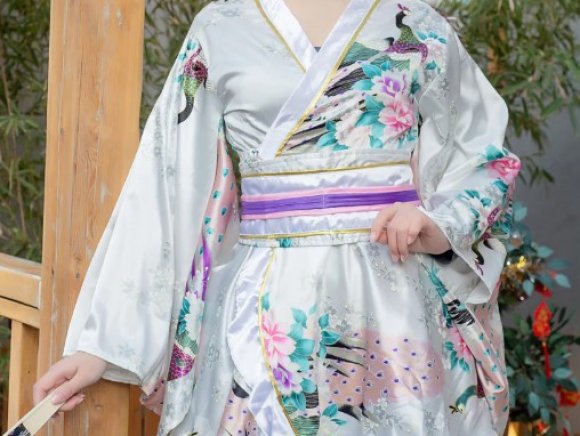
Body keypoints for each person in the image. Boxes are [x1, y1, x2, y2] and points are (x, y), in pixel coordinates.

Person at [33, 0, 521, 434]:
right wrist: (103, 345)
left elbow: (483, 152)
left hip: (393, 300)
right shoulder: (220, 26)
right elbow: (168, 180)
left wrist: (438, 225)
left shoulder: (415, 22)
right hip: (263, 301)